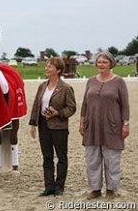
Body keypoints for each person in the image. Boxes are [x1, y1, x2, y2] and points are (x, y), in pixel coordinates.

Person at [79, 51, 130, 200]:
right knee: (92, 159)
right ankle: (95, 189)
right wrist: (82, 121)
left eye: (104, 62)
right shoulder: (91, 81)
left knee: (112, 159)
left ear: (111, 64)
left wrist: (125, 124)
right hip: (92, 126)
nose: (101, 65)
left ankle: (111, 189)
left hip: (112, 125)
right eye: (99, 62)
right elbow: (84, 104)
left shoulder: (119, 82)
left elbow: (125, 106)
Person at [29, 57, 76, 196]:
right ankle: (49, 186)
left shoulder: (66, 88)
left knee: (61, 157)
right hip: (43, 125)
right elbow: (36, 105)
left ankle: (59, 186)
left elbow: (72, 108)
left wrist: (58, 113)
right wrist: (33, 124)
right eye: (47, 66)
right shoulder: (42, 86)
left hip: (59, 127)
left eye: (50, 67)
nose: (46, 68)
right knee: (47, 157)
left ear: (58, 70)